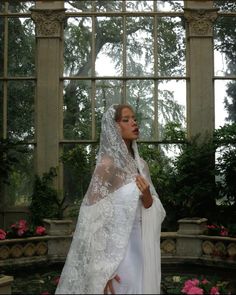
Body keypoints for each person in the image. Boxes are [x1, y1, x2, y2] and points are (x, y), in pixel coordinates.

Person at [55, 104, 166, 294]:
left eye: (134, 118)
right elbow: (91, 220)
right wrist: (100, 271)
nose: (134, 122)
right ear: (115, 127)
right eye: (126, 119)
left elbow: (151, 207)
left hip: (142, 250)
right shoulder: (107, 165)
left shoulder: (142, 165)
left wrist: (147, 196)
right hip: (117, 257)